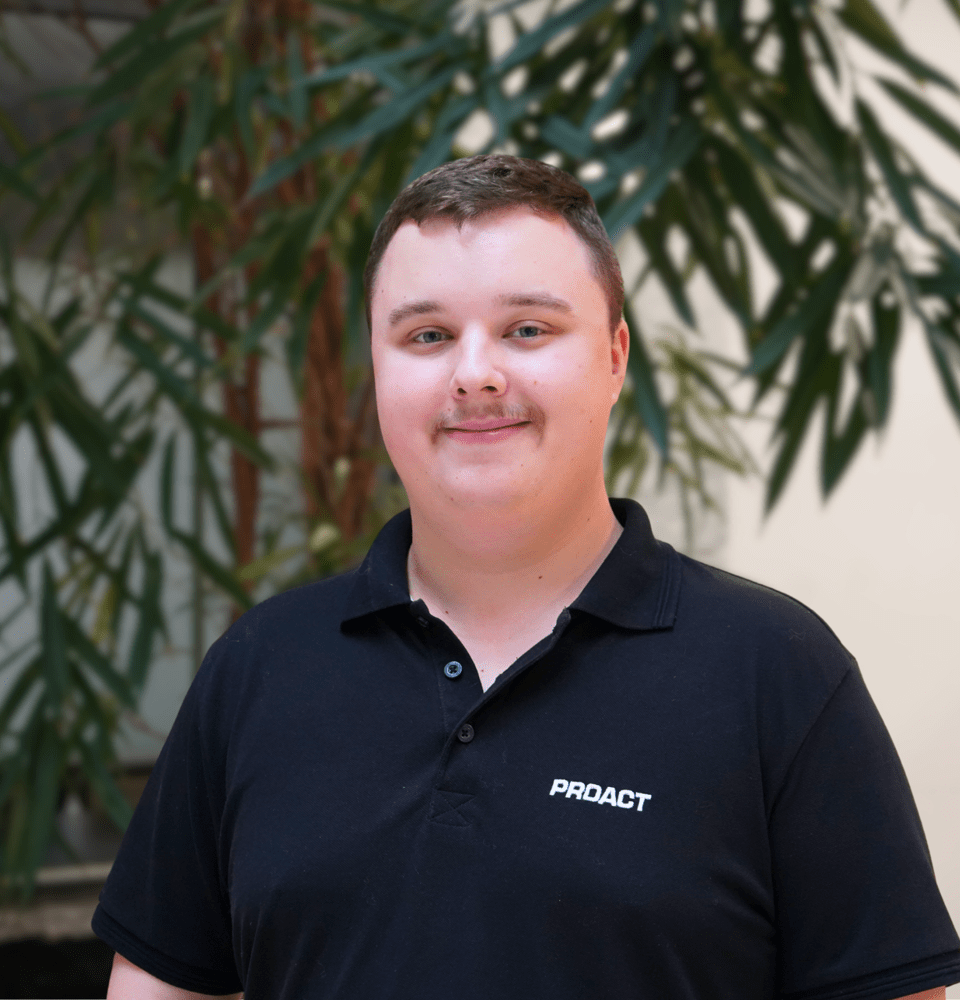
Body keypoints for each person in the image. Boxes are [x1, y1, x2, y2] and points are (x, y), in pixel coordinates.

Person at [95, 155, 960, 1000]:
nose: (475, 374)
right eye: (427, 336)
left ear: (616, 358)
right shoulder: (259, 667)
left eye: (527, 330)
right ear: (377, 369)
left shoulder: (775, 671)